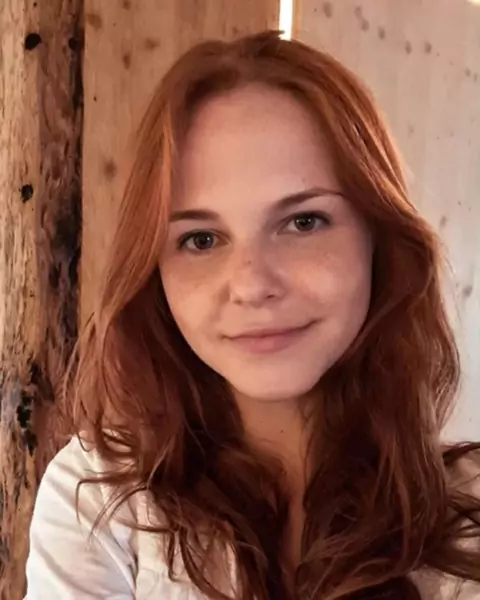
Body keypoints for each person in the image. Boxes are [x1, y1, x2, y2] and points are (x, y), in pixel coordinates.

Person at [24, 30, 480, 599]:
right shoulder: (99, 501)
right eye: (201, 239)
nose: (251, 285)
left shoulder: (468, 513)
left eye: (303, 222)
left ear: (380, 239)